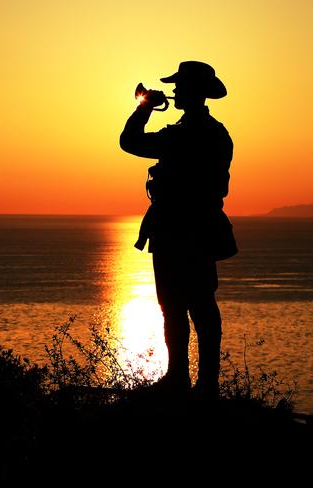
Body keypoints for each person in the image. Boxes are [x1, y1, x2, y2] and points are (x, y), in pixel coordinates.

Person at [119, 61, 236, 399]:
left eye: (180, 86)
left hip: (177, 228)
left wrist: (144, 107)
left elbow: (129, 141)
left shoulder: (182, 135)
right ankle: (200, 382)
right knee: (197, 304)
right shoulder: (216, 132)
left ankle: (182, 379)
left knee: (179, 305)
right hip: (198, 227)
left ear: (194, 92)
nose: (174, 91)